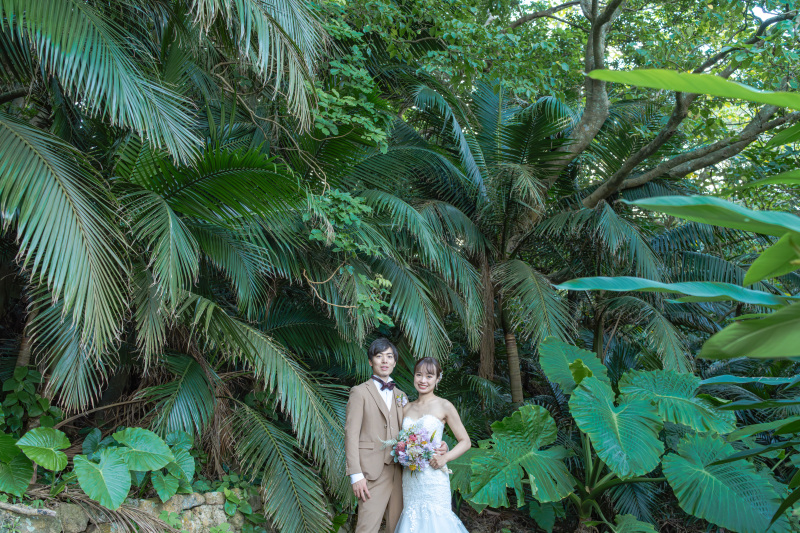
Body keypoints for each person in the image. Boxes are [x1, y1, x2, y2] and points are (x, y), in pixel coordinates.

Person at [344, 339, 448, 533]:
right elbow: (351, 435)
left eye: (389, 356)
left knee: (399, 527)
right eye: (379, 356)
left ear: (394, 362)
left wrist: (441, 446)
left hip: (403, 473)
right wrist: (355, 475)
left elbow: (414, 433)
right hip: (371, 474)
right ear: (370, 361)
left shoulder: (401, 396)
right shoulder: (359, 392)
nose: (385, 360)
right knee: (366, 528)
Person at [394, 356, 471, 533]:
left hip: (434, 477)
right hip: (411, 478)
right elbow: (398, 440)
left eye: (429, 376)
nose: (423, 380)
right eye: (419, 375)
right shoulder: (406, 408)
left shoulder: (444, 405)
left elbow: (465, 441)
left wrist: (445, 457)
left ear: (437, 379)